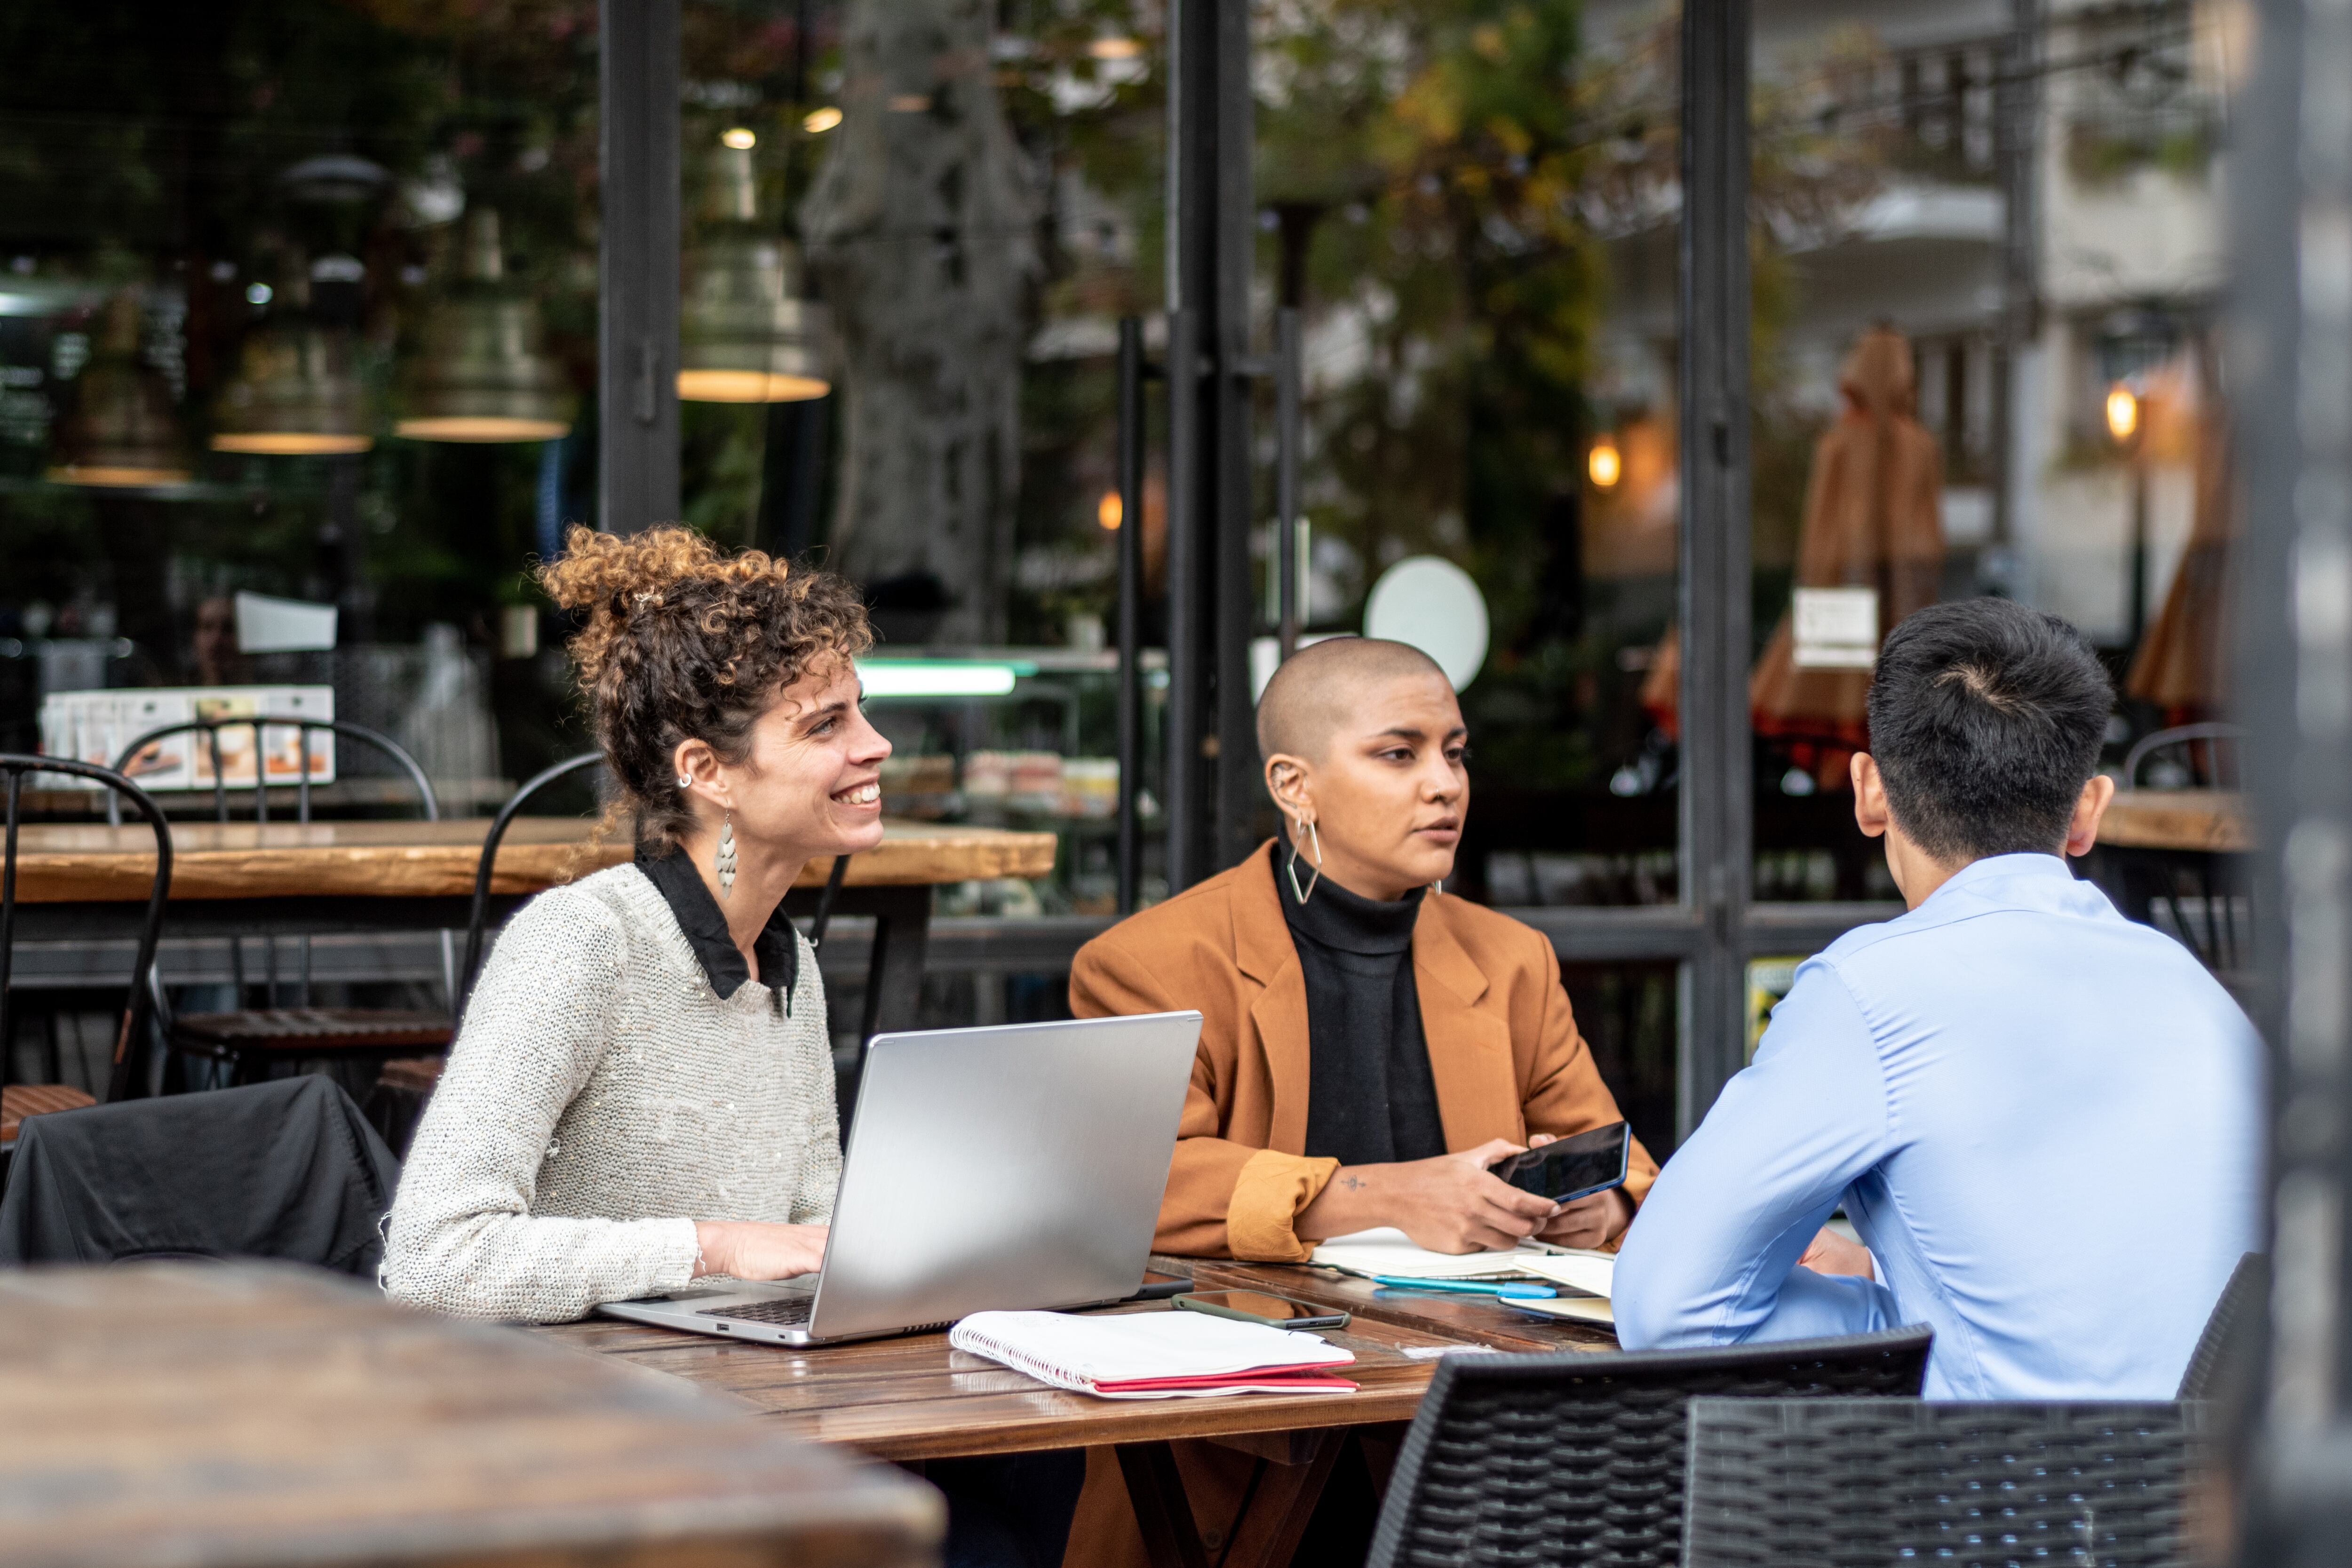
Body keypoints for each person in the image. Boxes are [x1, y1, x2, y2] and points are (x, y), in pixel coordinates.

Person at [383, 525, 1078, 1568]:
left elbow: (807, 1222)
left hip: (742, 1406)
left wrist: (948, 1246)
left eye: (864, 712)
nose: (875, 744)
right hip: (576, 1444)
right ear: (707, 769)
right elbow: (433, 1259)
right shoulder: (583, 941)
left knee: (1036, 1454)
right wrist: (709, 1244)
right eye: (827, 725)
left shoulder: (782, 955)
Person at [1062, 635, 1658, 1566]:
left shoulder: (1510, 959)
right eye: (1398, 752)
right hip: (1233, 1440)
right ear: (1294, 785)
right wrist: (1392, 1196)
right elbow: (1133, 1186)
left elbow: (1617, 1154)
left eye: (1455, 752)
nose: (1443, 783)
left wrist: (1601, 1201)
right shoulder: (1152, 962)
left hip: (1473, 1445)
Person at [1613, 598, 2262, 1399]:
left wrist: (1891, 1315)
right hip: (2216, 1512)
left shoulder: (1867, 994)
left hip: (2003, 1508)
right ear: (2090, 811)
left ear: (1869, 790)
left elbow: (1669, 1310)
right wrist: (1911, 1286)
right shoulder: (2199, 995)